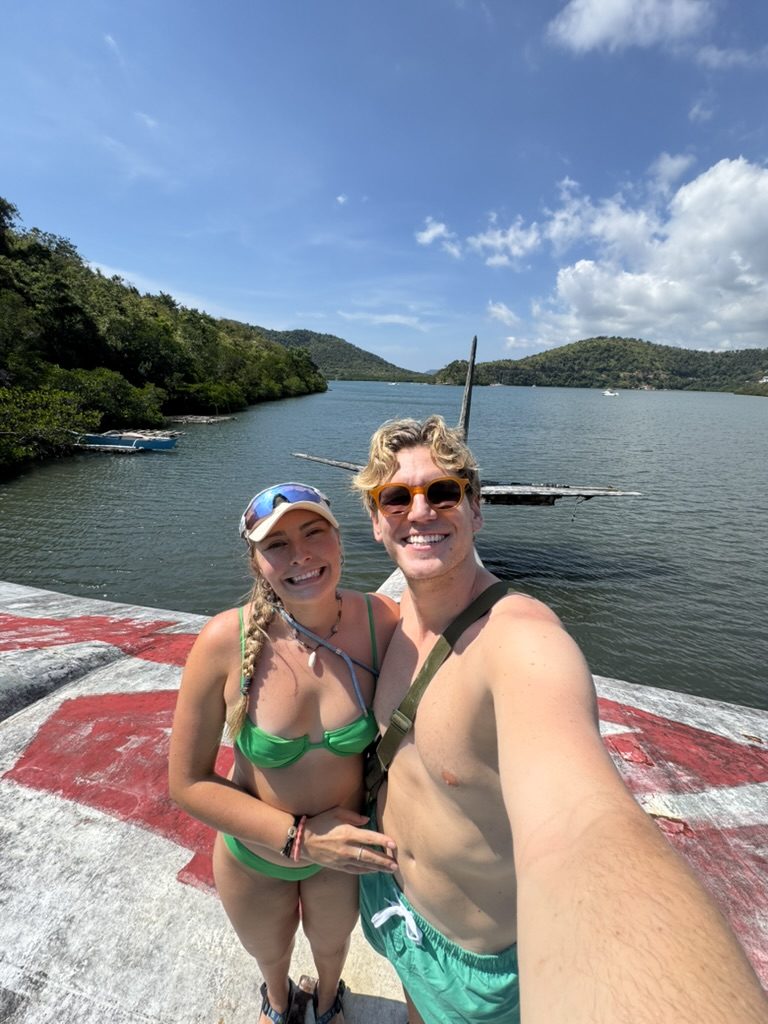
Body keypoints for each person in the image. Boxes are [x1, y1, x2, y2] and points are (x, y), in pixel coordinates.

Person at [352, 415, 768, 1024]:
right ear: (376, 520)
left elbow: (581, 821)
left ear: (476, 509)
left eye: (443, 492)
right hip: (393, 906)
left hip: (481, 960)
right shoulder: (385, 624)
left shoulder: (522, 644)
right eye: (397, 497)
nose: (421, 511)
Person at [168, 482, 399, 1024]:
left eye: (314, 532)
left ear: (340, 540)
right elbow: (188, 782)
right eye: (277, 545)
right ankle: (277, 1004)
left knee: (332, 949)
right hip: (257, 856)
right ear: (256, 560)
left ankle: (326, 1003)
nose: (301, 556)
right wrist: (299, 837)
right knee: (270, 956)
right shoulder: (225, 640)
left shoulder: (381, 622)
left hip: (340, 859)